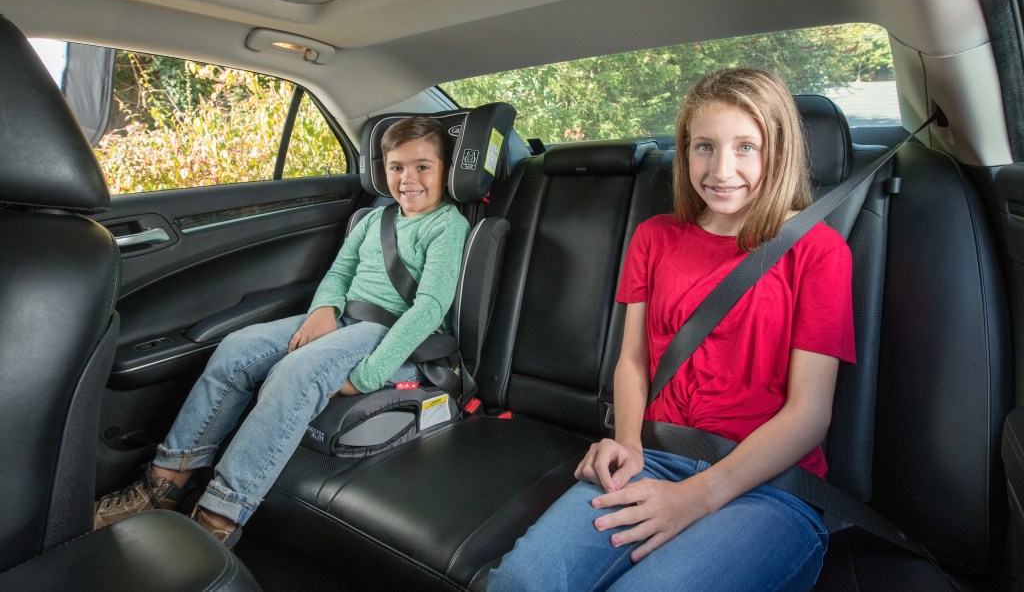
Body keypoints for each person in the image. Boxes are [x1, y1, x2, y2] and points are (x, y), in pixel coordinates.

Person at [488, 68, 856, 591]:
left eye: (746, 147)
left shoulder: (818, 251)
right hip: (656, 458)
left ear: (778, 152)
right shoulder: (654, 237)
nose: (722, 169)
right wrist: (628, 443)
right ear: (685, 151)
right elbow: (634, 359)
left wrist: (699, 496)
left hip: (767, 484)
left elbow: (810, 413)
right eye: (705, 147)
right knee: (521, 582)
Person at [94, 116, 470, 546]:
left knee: (295, 373)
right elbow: (340, 271)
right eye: (396, 167)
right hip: (343, 318)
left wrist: (365, 376)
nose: (408, 179)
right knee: (238, 347)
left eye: (423, 166)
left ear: (446, 170)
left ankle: (219, 516)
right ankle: (165, 481)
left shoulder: (447, 225)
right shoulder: (373, 219)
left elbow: (428, 309)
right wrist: (323, 309)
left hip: (388, 332)